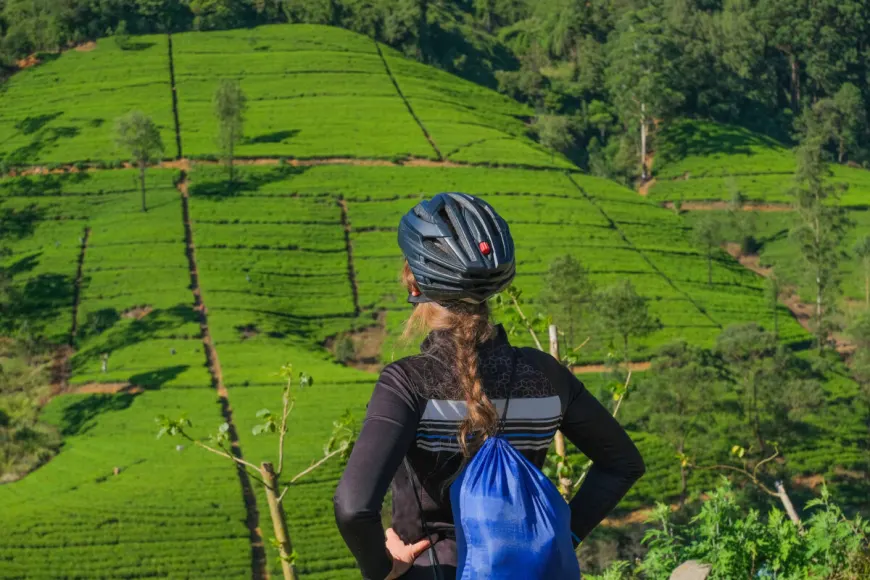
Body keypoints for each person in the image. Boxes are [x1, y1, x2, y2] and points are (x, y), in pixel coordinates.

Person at [333, 192, 645, 580]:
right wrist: (563, 536)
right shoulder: (547, 376)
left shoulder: (408, 383)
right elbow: (622, 463)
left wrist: (382, 568)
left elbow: (353, 507)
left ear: (413, 283)